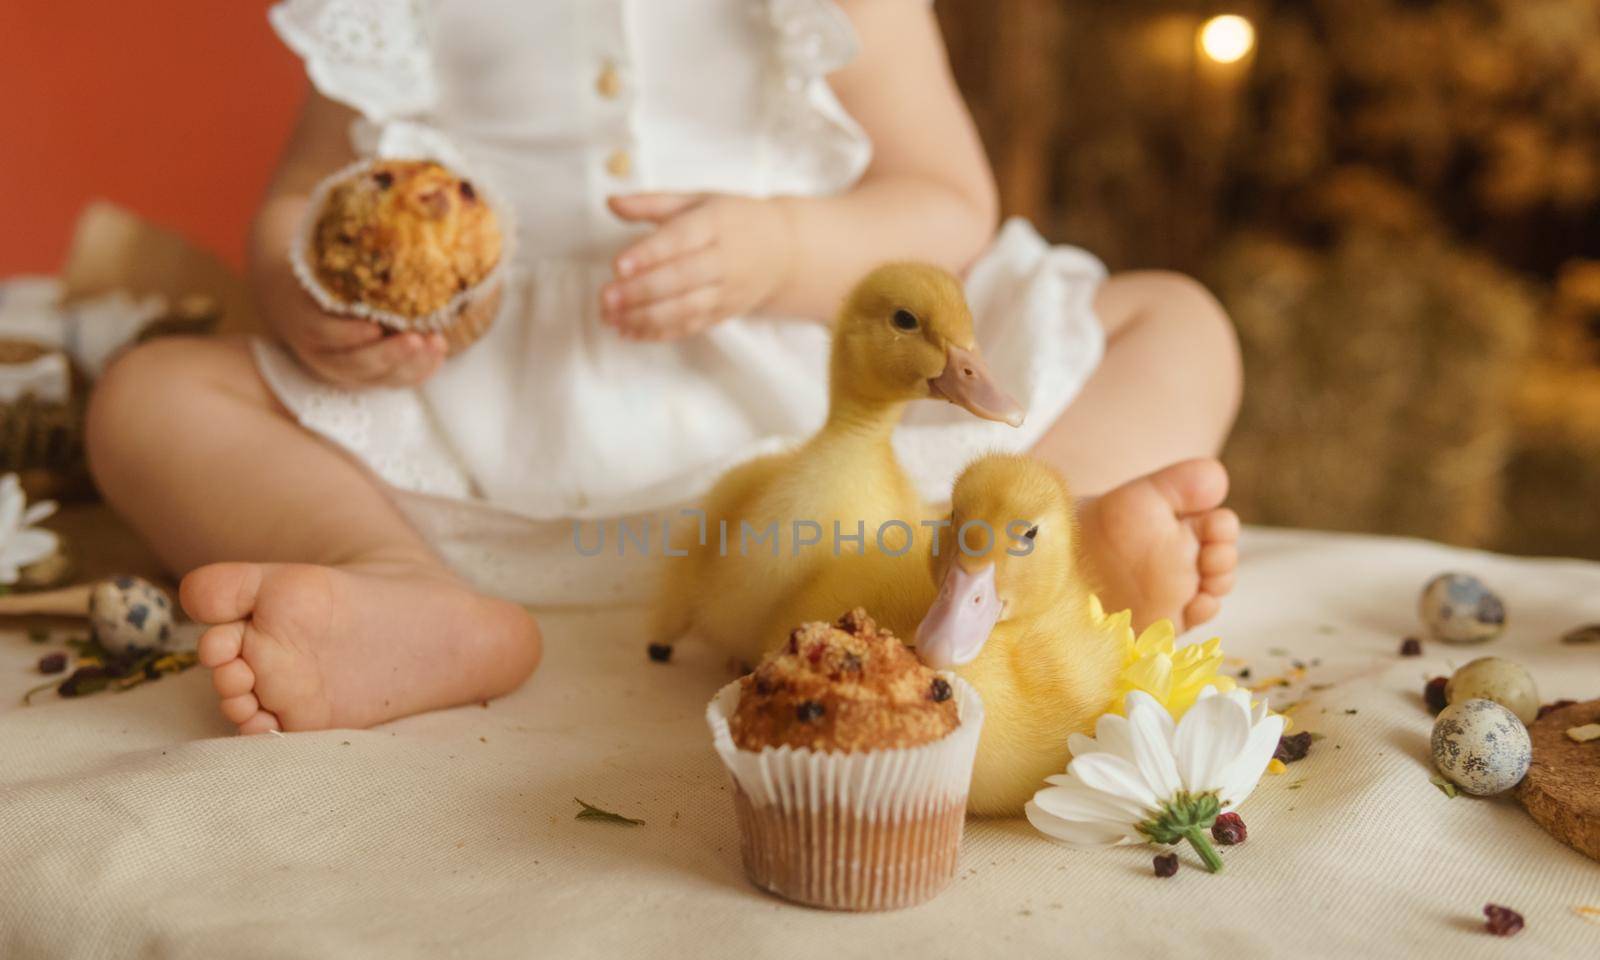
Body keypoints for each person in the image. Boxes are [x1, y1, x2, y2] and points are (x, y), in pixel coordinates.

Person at [86, 0, 1241, 735]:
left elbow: (948, 201)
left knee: (1170, 317)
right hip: (481, 415)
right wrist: (314, 302)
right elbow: (303, 202)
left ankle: (1041, 540)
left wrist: (785, 246)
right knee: (151, 393)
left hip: (816, 415)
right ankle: (400, 584)